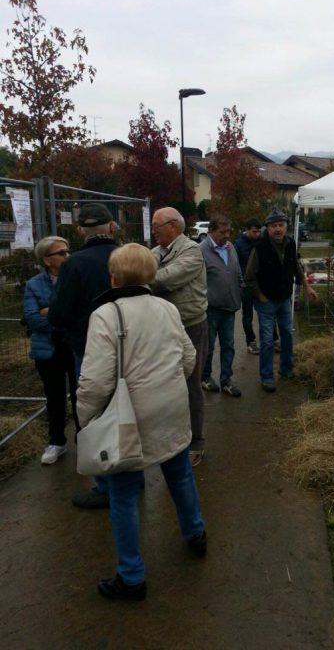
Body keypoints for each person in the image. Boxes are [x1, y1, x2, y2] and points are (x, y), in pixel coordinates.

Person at [76, 243, 206, 601]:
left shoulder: (106, 315)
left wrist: (85, 419)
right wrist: (169, 385)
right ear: (150, 273)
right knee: (179, 473)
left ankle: (131, 576)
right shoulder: (167, 307)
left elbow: (95, 380)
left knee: (123, 494)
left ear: (113, 276)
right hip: (171, 406)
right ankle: (196, 534)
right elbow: (188, 358)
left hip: (129, 416)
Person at [49, 202, 118, 508]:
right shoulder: (128, 256)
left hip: (89, 351)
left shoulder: (73, 264)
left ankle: (106, 485)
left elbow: (59, 313)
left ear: (80, 231)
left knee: (94, 417)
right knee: (126, 410)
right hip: (128, 349)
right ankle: (133, 473)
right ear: (112, 227)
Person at [151, 207, 208, 467]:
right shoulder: (155, 252)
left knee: (191, 383)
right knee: (165, 383)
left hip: (190, 325)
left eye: (156, 225)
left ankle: (196, 440)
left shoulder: (191, 251)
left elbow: (165, 280)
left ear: (173, 226)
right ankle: (172, 437)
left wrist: (139, 276)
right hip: (163, 326)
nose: (153, 230)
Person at [245, 207, 317, 392]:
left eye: (281, 225)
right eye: (274, 226)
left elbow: (296, 267)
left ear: (286, 227)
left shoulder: (291, 244)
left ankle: (286, 369)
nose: (278, 229)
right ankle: (266, 377)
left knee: (287, 335)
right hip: (266, 302)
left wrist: (306, 286)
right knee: (267, 341)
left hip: (285, 298)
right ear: (267, 229)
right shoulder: (259, 248)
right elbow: (249, 277)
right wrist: (261, 297)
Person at [23, 236, 78, 465]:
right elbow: (33, 319)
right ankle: (56, 442)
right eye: (61, 253)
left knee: (80, 396)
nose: (68, 256)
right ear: (47, 260)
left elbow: (80, 313)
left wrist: (51, 312)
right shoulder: (33, 285)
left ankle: (85, 440)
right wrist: (61, 317)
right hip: (48, 350)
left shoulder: (75, 279)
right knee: (54, 397)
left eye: (68, 251)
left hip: (74, 346)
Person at [200, 215, 243, 397]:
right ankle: (205, 377)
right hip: (210, 309)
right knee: (208, 346)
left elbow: (237, 271)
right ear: (211, 231)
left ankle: (226, 380)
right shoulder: (200, 250)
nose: (226, 235)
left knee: (228, 345)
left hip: (229, 307)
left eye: (228, 232)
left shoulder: (230, 247)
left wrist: (240, 287)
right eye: (222, 232)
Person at [234, 217, 262, 354]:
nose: (257, 235)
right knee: (248, 315)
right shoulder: (238, 244)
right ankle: (251, 341)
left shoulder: (261, 242)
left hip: (260, 284)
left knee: (266, 312)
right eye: (254, 232)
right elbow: (235, 265)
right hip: (246, 286)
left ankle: (272, 339)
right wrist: (241, 283)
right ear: (247, 230)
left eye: (258, 232)